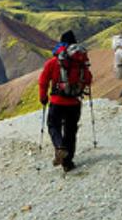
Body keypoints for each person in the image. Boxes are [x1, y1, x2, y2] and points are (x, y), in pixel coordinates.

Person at [37, 31, 92, 172]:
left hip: (57, 101)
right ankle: (68, 163)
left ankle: (60, 147)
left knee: (53, 125)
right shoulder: (79, 61)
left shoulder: (54, 62)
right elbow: (88, 79)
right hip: (74, 102)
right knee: (71, 131)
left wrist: (43, 97)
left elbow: (43, 81)